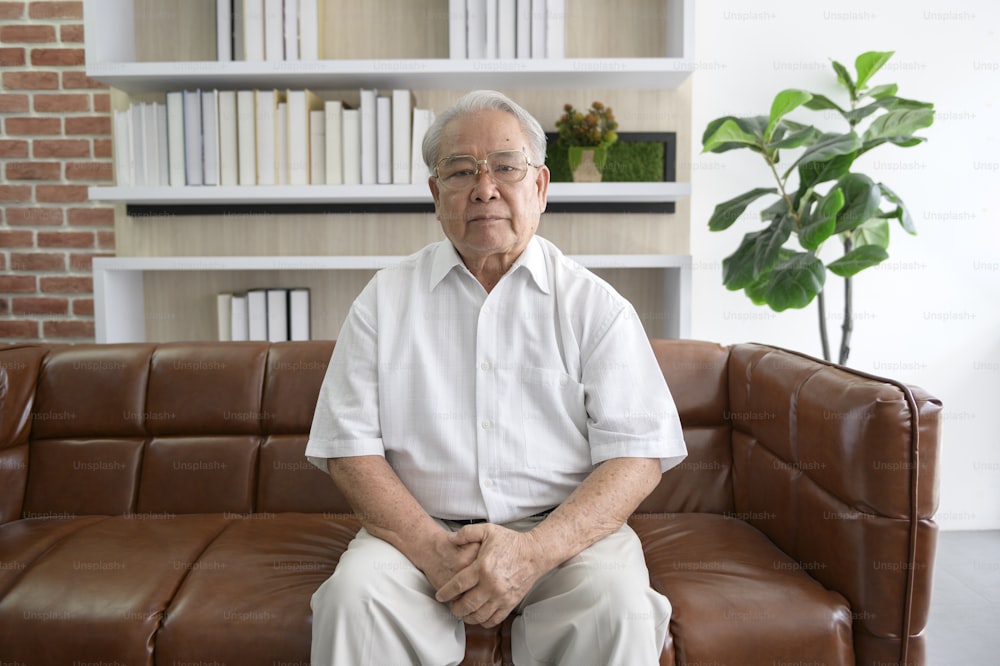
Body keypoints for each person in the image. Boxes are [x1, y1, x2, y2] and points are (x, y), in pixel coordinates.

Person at [305, 89, 687, 665]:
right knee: (354, 600)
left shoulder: (594, 306)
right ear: (436, 195)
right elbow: (348, 449)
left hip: (566, 537)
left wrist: (534, 552)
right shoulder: (383, 301)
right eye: (461, 171)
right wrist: (433, 551)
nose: (485, 188)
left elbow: (637, 456)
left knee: (620, 607)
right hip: (420, 533)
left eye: (506, 167)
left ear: (540, 186)